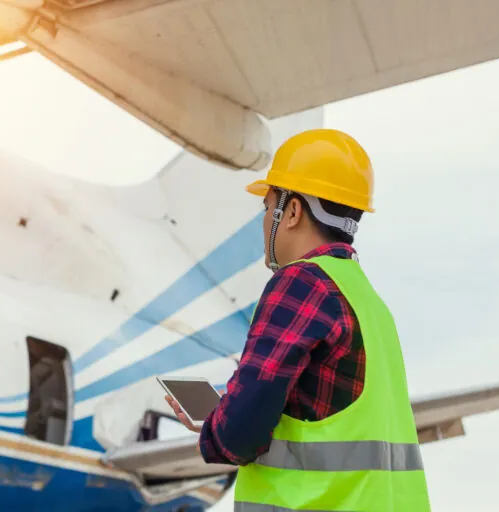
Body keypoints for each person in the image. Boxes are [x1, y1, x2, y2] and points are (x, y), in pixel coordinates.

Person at [166, 129, 431, 511]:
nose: (263, 224)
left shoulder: (301, 283)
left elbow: (240, 435)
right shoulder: (371, 304)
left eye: (267, 207)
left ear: (291, 211)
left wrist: (217, 427)